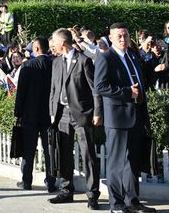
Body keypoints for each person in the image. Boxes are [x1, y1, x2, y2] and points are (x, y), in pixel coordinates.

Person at [94, 23, 156, 213]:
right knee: (117, 162)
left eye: (126, 36)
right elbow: (100, 87)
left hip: (136, 116)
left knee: (132, 161)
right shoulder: (106, 58)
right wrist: (127, 92)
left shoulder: (132, 56)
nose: (123, 39)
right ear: (111, 38)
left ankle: (133, 200)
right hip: (117, 118)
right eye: (119, 36)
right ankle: (116, 203)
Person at [47, 29, 102, 209]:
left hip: (82, 114)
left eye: (54, 42)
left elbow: (95, 90)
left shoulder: (84, 61)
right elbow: (53, 90)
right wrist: (52, 112)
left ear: (62, 42)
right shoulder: (55, 62)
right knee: (64, 153)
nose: (52, 45)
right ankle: (66, 190)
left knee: (88, 155)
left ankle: (92, 195)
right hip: (61, 114)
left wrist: (97, 113)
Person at [14, 37, 56, 192]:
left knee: (28, 150)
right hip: (50, 115)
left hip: (29, 115)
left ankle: (26, 181)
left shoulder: (27, 65)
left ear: (37, 49)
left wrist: (18, 112)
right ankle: (51, 182)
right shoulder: (55, 64)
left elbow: (21, 93)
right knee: (50, 150)